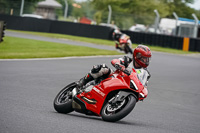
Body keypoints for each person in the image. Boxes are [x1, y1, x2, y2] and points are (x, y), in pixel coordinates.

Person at [76, 45, 152, 90]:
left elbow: (143, 86)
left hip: (126, 86)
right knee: (102, 68)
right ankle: (83, 81)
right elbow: (115, 60)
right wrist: (120, 66)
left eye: (147, 59)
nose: (146, 61)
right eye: (144, 58)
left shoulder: (146, 73)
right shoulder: (128, 60)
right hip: (115, 77)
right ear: (137, 56)